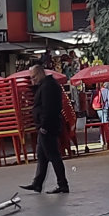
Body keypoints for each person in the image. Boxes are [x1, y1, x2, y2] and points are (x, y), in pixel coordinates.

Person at [20, 62, 70, 194]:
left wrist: (44, 126)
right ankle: (37, 183)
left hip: (47, 127)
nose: (33, 80)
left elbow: (49, 109)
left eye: (34, 77)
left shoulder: (48, 86)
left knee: (53, 155)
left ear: (41, 73)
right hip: (46, 126)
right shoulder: (46, 85)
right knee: (42, 156)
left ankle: (62, 184)